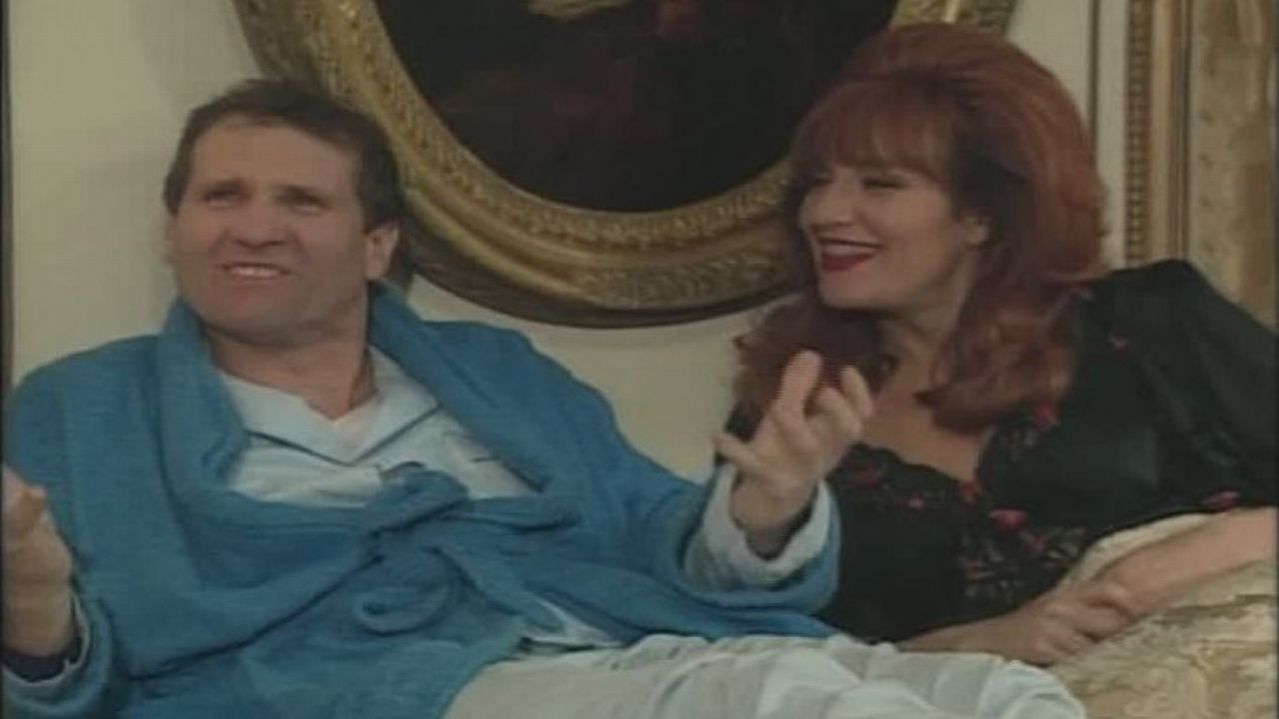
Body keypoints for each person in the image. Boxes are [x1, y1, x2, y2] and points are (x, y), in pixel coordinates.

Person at [2, 79, 1083, 718]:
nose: (253, 225)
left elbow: (655, 530)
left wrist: (762, 515)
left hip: (621, 644)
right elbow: (68, 685)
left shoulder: (494, 372)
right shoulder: (79, 410)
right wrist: (34, 602)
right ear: (175, 228)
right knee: (779, 704)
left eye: (299, 200)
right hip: (393, 686)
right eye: (220, 195)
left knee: (997, 696)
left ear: (375, 246)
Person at [729, 22, 1277, 667]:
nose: (823, 213)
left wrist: (1195, 557)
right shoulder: (791, 404)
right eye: (817, 182)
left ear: (983, 215)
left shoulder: (1151, 324)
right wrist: (977, 643)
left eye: (879, 183)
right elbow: (767, 665)